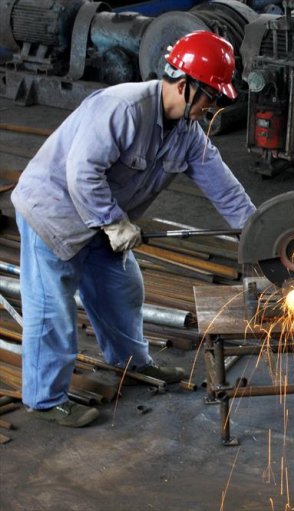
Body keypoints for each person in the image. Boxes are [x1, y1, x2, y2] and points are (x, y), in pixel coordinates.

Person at [11, 31, 256, 427]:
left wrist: (256, 229)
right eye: (210, 97)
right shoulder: (122, 108)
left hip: (105, 223)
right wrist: (111, 222)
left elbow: (222, 185)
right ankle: (45, 398)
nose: (211, 108)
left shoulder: (187, 134)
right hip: (52, 215)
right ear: (183, 85)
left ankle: (132, 365)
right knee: (52, 308)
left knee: (122, 289)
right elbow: (83, 174)